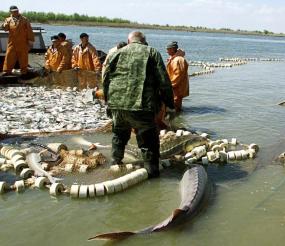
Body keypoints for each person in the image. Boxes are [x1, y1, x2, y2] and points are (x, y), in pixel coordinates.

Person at [103, 31, 175, 178]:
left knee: (119, 135)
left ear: (128, 41)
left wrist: (108, 101)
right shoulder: (152, 52)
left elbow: (105, 78)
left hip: (117, 105)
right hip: (141, 106)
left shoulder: (116, 53)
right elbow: (164, 80)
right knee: (148, 140)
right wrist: (169, 103)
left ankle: (115, 165)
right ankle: (153, 177)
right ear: (144, 41)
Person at [1, 6, 34, 75]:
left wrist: (31, 41)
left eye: (16, 10)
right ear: (10, 12)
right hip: (12, 43)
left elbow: (29, 30)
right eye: (14, 11)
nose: (15, 12)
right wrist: (4, 25)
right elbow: (5, 29)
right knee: (9, 57)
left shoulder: (25, 19)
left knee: (23, 58)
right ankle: (6, 71)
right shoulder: (8, 19)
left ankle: (24, 72)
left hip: (23, 43)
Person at [166, 41, 189, 112]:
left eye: (168, 49)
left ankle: (177, 119)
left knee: (176, 108)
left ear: (172, 49)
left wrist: (170, 85)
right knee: (176, 106)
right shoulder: (175, 59)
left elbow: (178, 75)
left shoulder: (177, 60)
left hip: (177, 88)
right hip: (177, 88)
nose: (166, 51)